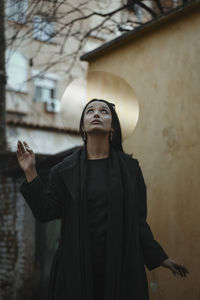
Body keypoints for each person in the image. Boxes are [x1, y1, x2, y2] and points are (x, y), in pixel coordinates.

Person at [16, 99, 189, 300]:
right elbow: (46, 212)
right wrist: (30, 172)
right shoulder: (63, 171)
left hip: (120, 264)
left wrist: (161, 258)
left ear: (113, 125)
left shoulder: (131, 169)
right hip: (76, 266)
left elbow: (138, 222)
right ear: (83, 126)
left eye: (103, 111)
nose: (96, 114)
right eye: (90, 111)